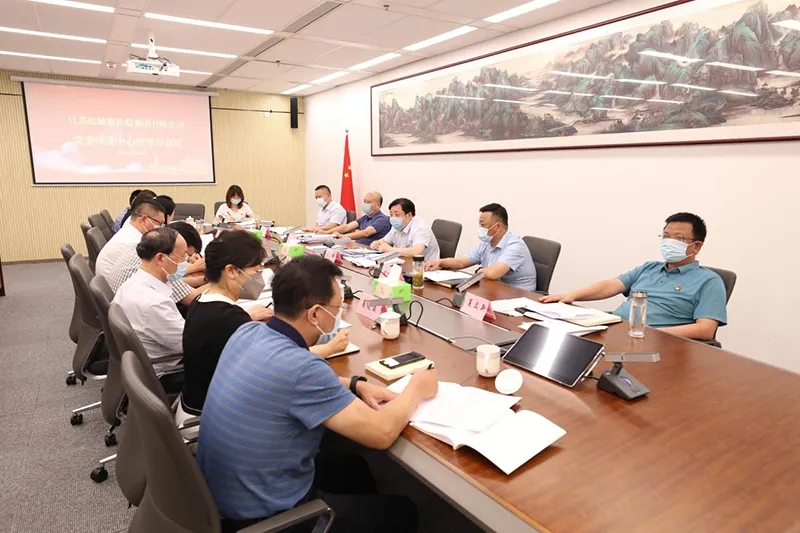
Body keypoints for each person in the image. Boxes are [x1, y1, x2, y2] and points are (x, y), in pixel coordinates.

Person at [198, 255, 438, 533]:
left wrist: (355, 384)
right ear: (314, 314)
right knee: (402, 511)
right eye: (336, 308)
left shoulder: (248, 331)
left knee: (353, 466)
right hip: (264, 518)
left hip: (219, 497)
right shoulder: (302, 368)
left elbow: (284, 380)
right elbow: (381, 433)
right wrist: (416, 387)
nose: (338, 315)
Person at [177, 232, 350, 429]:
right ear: (231, 271)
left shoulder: (203, 300)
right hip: (205, 419)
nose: (260, 275)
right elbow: (284, 364)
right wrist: (330, 348)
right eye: (257, 269)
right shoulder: (229, 320)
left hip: (195, 403)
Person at [540, 212, 727, 340]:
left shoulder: (709, 281)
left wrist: (651, 334)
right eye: (666, 236)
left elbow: (705, 330)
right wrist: (572, 296)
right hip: (616, 332)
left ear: (696, 246)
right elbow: (610, 285)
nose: (669, 242)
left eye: (678, 238)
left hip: (656, 343)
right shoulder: (649, 268)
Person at [112, 227, 188, 368]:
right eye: (183, 256)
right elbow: (191, 344)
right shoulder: (154, 303)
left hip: (142, 362)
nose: (186, 262)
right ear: (160, 258)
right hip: (169, 369)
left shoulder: (133, 283)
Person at [425, 203, 536, 291]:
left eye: (483, 225)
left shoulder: (515, 246)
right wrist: (440, 262)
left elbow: (493, 273)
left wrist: (479, 271)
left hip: (519, 294)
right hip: (495, 289)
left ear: (497, 227)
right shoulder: (487, 243)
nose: (480, 228)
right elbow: (461, 262)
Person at [106, 221, 206, 305]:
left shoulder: (146, 250)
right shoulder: (159, 267)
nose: (186, 260)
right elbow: (192, 298)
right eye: (184, 255)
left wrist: (204, 278)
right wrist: (214, 279)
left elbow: (177, 285)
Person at [96, 198, 166, 279]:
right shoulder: (134, 244)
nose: (161, 228)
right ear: (144, 219)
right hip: (114, 284)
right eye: (160, 223)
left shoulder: (128, 232)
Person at [370, 197, 440, 262]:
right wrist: (377, 243)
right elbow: (385, 240)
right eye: (391, 215)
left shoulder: (421, 228)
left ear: (409, 215)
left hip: (425, 267)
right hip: (404, 263)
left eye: (397, 214)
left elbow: (416, 251)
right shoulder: (397, 226)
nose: (393, 218)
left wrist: (391, 249)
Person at [325, 191, 391, 245]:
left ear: (378, 205)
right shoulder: (365, 217)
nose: (365, 204)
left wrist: (343, 236)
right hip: (358, 248)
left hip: (370, 251)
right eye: (365, 201)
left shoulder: (382, 219)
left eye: (369, 202)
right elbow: (347, 227)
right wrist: (327, 232)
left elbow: (366, 233)